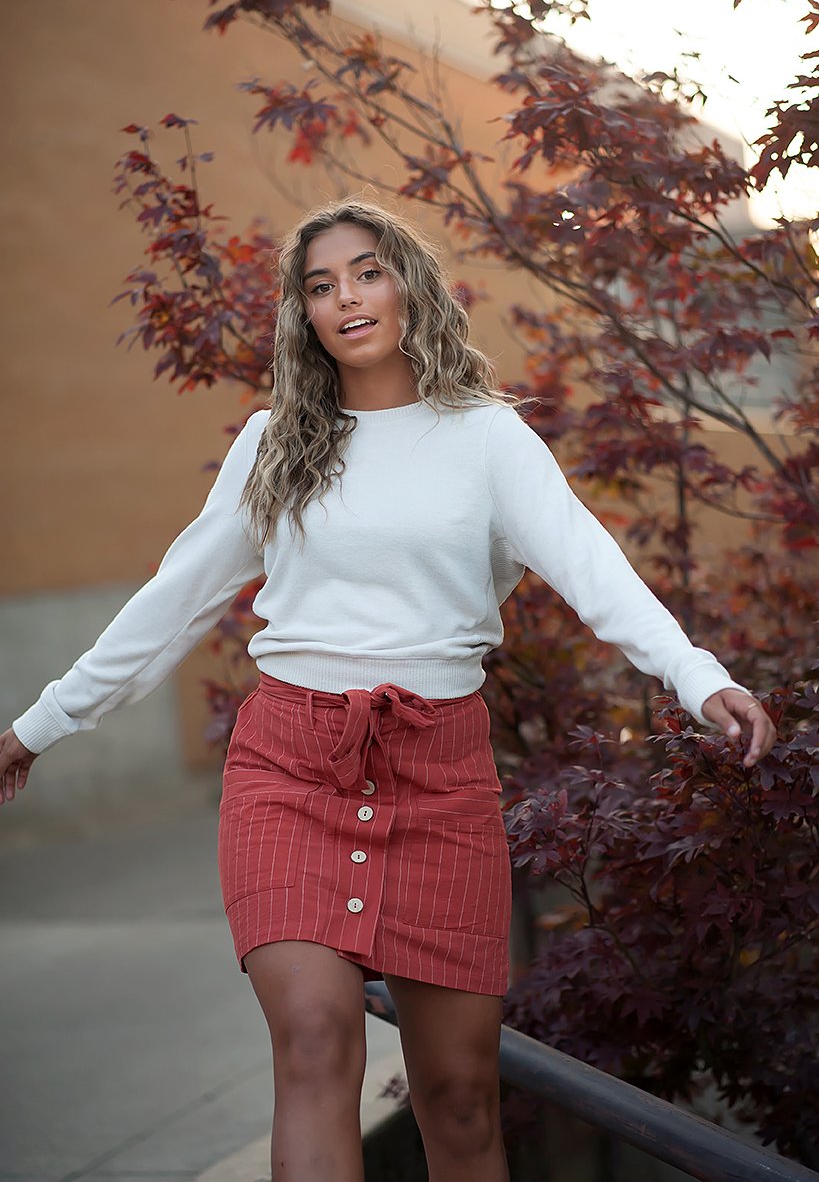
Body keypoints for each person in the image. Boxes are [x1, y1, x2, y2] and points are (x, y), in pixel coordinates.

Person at [0, 199, 776, 1182]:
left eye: (365, 272)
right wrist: (36, 726)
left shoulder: (489, 442)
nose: (346, 299)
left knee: (457, 1097)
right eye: (320, 286)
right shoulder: (273, 442)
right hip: (289, 766)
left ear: (409, 282)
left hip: (440, 776)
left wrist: (700, 680)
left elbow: (596, 571)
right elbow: (174, 601)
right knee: (316, 1040)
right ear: (305, 316)